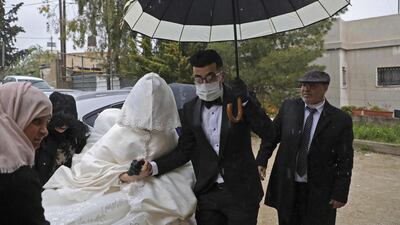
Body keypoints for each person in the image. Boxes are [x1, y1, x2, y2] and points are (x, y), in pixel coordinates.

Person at [136, 49, 274, 225]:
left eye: (209, 77)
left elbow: (268, 132)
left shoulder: (239, 100)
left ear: (220, 76)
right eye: (198, 79)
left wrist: (246, 100)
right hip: (208, 194)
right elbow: (184, 151)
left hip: (242, 193)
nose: (204, 83)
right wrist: (153, 167)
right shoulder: (190, 109)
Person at [42, 73, 197, 225]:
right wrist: (125, 175)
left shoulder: (168, 135)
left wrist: (152, 169)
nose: (151, 108)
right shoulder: (120, 132)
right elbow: (91, 164)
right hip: (118, 193)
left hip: (164, 193)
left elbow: (180, 162)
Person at [256, 70, 354, 225]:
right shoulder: (289, 108)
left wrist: (340, 191)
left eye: (312, 86)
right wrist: (261, 160)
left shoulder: (340, 120)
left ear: (325, 88)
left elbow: (345, 159)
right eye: (302, 85)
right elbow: (271, 137)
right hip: (289, 186)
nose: (305, 89)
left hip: (320, 190)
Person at [0, 82, 52, 225]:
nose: (44, 131)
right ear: (12, 117)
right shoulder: (18, 179)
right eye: (36, 121)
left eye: (47, 122)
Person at [35, 92, 89, 186]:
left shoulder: (77, 136)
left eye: (67, 121)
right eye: (58, 121)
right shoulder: (40, 136)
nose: (63, 125)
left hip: (68, 188)